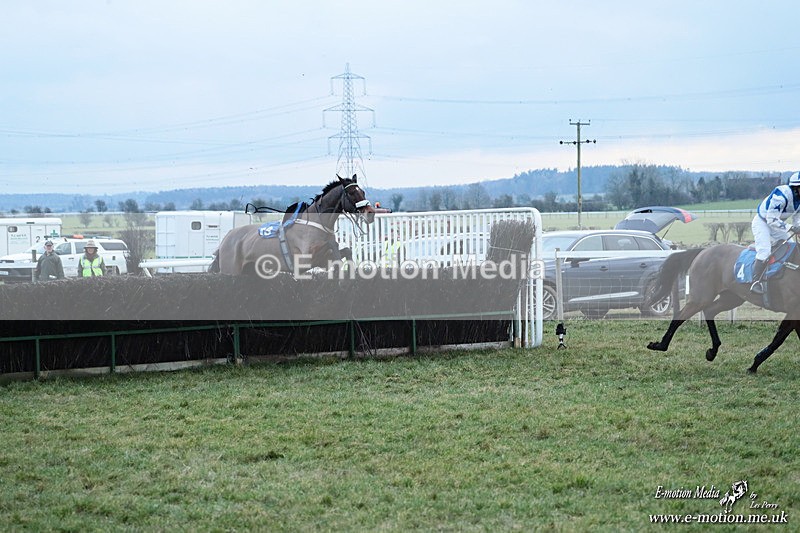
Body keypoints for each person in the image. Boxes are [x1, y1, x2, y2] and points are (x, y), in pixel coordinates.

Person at [750, 171, 800, 293]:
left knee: (793, 247)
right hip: (763, 223)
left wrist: (798, 227)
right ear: (796, 188)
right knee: (765, 251)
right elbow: (771, 219)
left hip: (778, 225)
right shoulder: (781, 195)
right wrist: (791, 228)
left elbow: (796, 219)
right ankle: (756, 282)